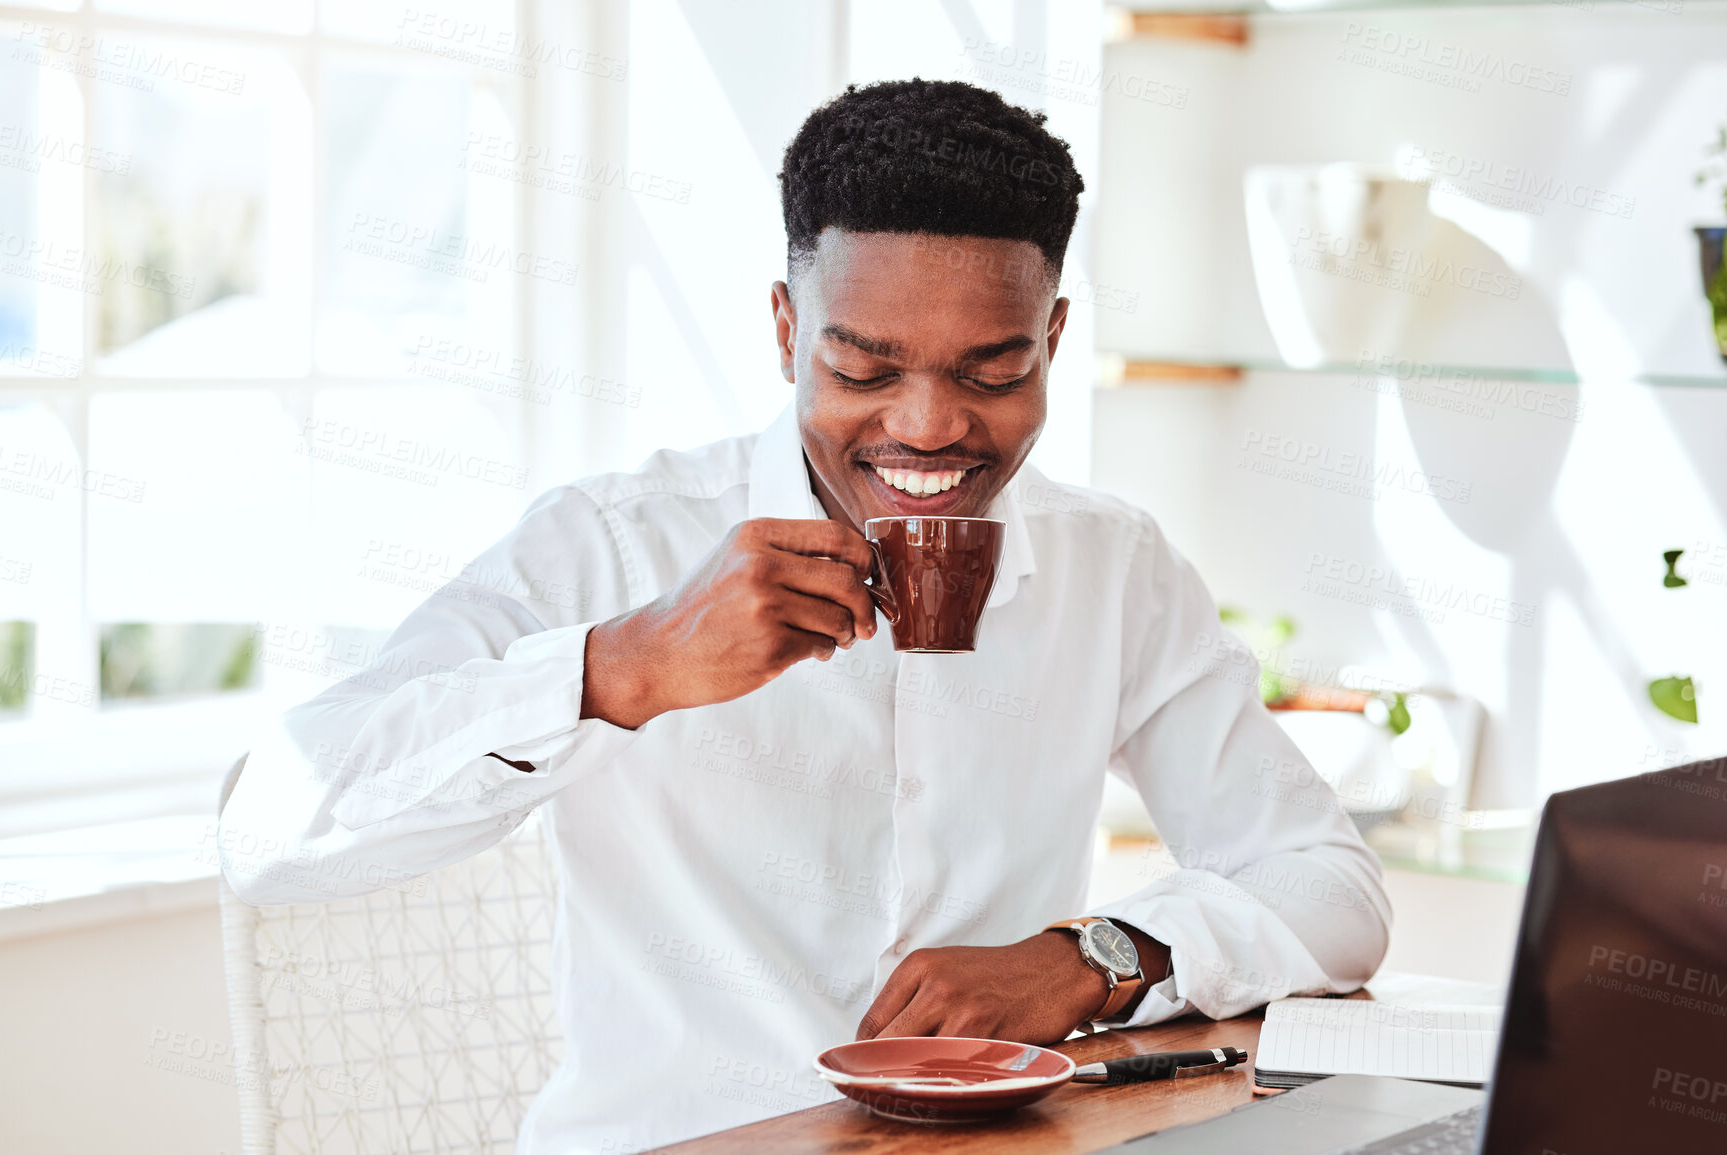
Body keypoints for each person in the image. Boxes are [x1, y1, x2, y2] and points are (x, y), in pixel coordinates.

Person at [220, 78, 1390, 1153]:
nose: (929, 427)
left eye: (990, 371)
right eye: (866, 369)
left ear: (1053, 341)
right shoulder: (613, 544)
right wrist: (624, 669)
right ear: (787, 331)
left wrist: (1096, 958)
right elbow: (272, 831)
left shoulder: (1112, 566)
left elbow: (1328, 883)